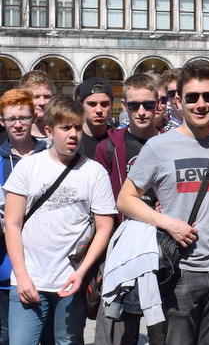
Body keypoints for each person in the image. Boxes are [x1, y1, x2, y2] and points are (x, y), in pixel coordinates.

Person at [117, 60, 209, 345]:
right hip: (179, 269)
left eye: (208, 97)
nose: (200, 104)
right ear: (178, 101)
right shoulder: (159, 146)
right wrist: (167, 223)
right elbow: (125, 199)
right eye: (192, 98)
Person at [3, 96, 117, 345]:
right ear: (49, 131)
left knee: (68, 341)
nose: (73, 134)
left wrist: (82, 272)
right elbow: (12, 224)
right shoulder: (28, 167)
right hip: (29, 279)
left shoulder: (94, 171)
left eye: (77, 127)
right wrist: (21, 276)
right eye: (65, 128)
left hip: (71, 282)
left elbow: (105, 226)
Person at [94, 73, 161, 345]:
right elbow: (99, 202)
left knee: (162, 326)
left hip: (161, 244)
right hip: (122, 245)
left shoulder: (170, 142)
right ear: (125, 106)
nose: (142, 112)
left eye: (148, 105)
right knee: (118, 329)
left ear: (159, 105)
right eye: (135, 106)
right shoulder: (108, 147)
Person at [0, 89, 48, 345]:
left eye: (24, 118)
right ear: (2, 121)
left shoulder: (51, 156)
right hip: (4, 267)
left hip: (48, 266)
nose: (18, 124)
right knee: (7, 335)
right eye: (11, 119)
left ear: (33, 119)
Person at [75, 77, 114, 159]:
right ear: (80, 106)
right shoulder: (71, 139)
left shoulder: (118, 141)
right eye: (92, 104)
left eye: (104, 104)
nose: (99, 110)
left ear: (112, 106)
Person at [19, 70, 55, 145]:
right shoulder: (12, 135)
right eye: (36, 97)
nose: (42, 102)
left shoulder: (63, 133)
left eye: (47, 97)